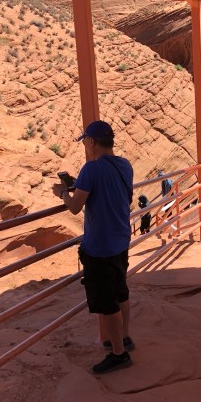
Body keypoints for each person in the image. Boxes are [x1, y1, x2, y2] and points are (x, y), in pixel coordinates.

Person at [52, 120, 135, 375]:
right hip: (120, 240)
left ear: (91, 142)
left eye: (85, 142)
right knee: (121, 292)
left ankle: (118, 354)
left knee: (107, 302)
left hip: (100, 246)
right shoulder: (124, 165)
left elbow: (75, 207)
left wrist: (63, 193)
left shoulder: (91, 169)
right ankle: (125, 338)